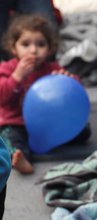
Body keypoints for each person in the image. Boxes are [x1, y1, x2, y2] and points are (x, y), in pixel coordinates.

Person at [0, 14, 79, 175]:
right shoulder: (8, 69)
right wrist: (17, 77)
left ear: (50, 48)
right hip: (16, 121)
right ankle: (22, 160)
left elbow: (73, 92)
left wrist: (69, 79)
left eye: (41, 44)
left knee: (84, 132)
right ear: (13, 47)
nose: (34, 50)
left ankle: (47, 140)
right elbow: (2, 96)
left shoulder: (51, 69)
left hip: (47, 124)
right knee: (11, 138)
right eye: (25, 44)